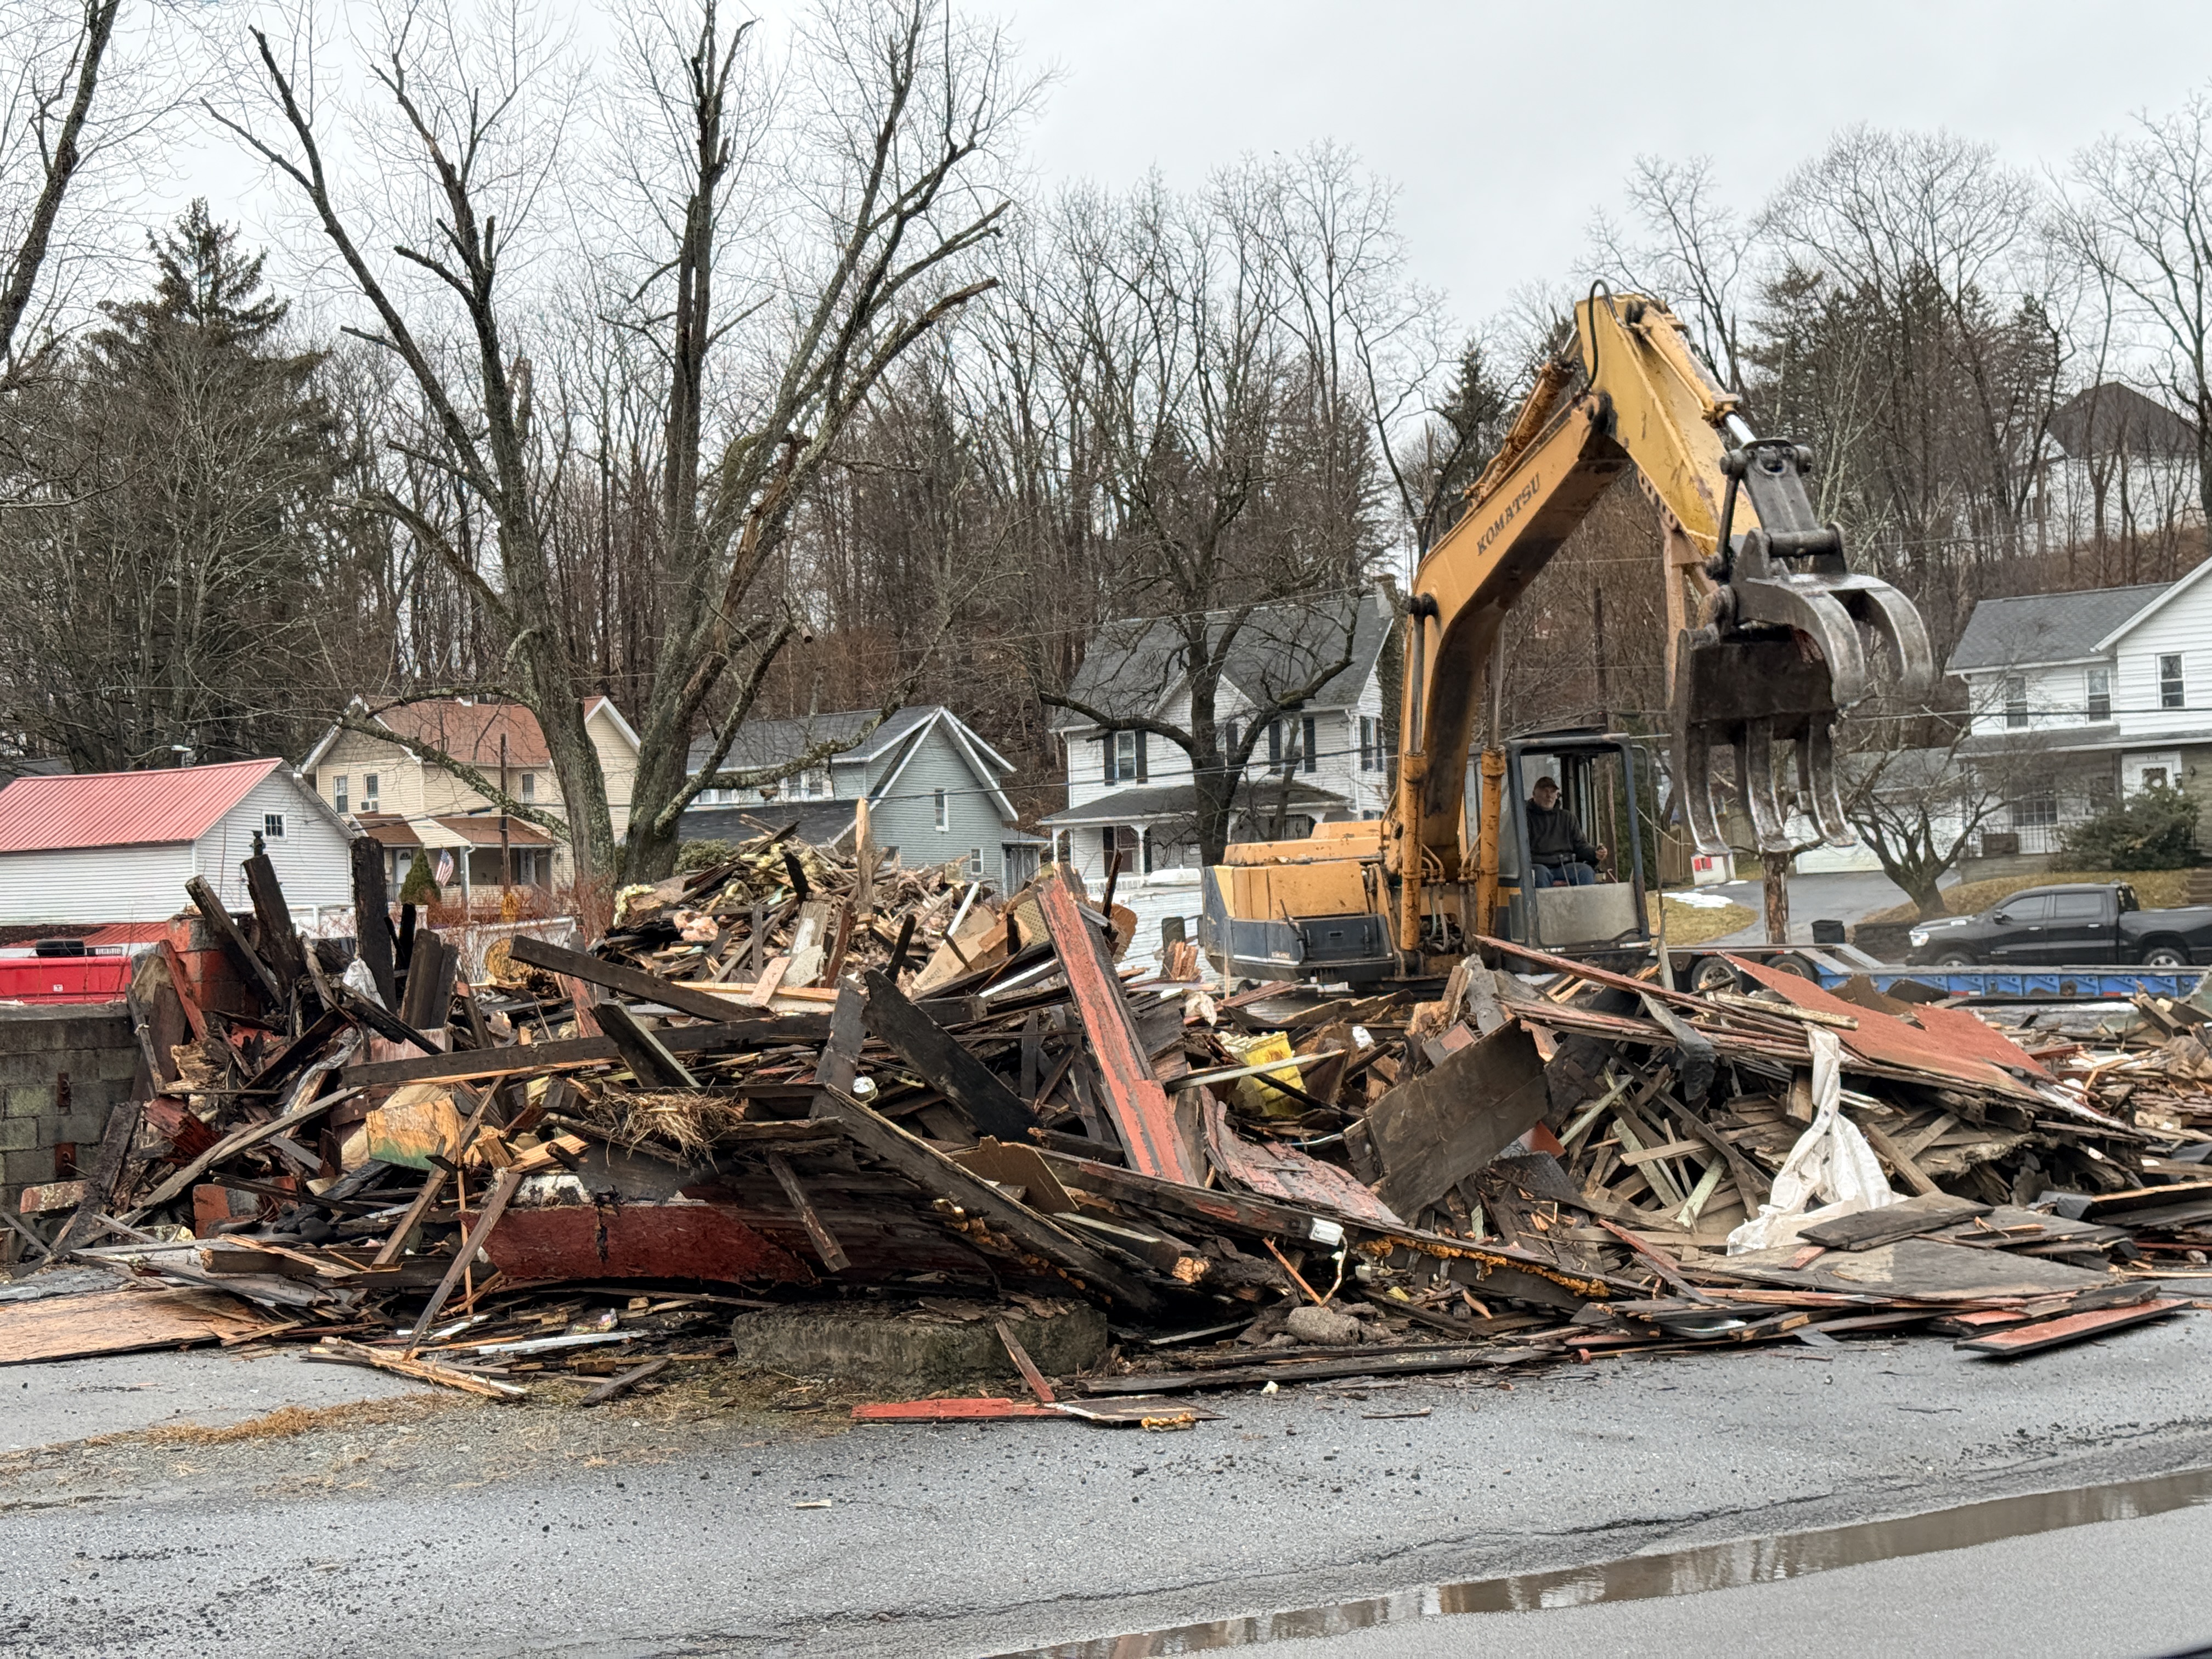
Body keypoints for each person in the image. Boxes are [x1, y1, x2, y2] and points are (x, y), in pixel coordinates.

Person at [1525, 775, 1606, 888]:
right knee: (1540, 874)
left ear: (1557, 795)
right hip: (1537, 866)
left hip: (1564, 866)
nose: (1549, 796)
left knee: (1585, 871)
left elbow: (1581, 846)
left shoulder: (1567, 818)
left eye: (1552, 792)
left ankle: (1584, 905)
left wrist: (1595, 853)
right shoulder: (1524, 818)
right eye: (1545, 792)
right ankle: (1543, 906)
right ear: (1534, 795)